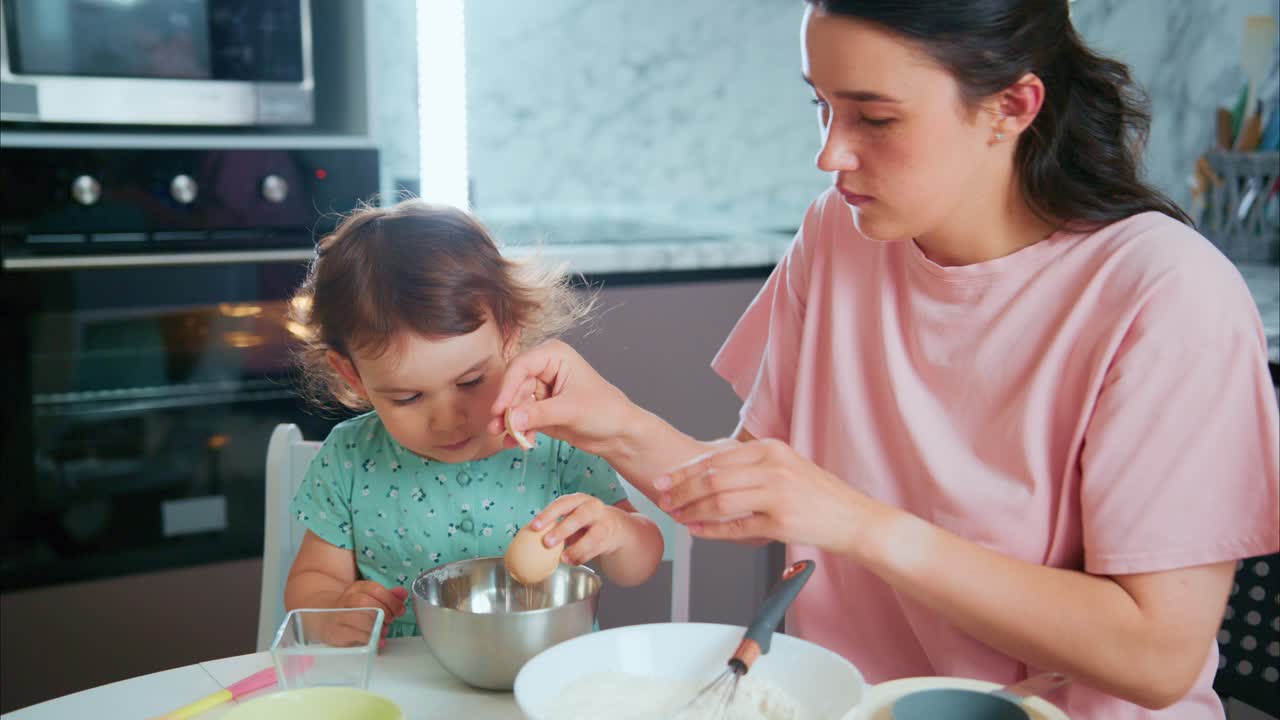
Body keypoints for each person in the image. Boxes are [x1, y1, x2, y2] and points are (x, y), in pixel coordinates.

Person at [489, 1, 1280, 717]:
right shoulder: (840, 235)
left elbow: (1158, 657)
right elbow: (762, 488)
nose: (831, 154)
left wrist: (864, 527)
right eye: (821, 107)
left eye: (874, 117)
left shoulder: (1166, 295)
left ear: (1012, 105)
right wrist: (614, 423)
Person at [283, 200, 663, 644]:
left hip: (540, 678)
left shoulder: (556, 438)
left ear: (510, 331)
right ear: (352, 374)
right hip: (406, 686)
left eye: (470, 382)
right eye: (408, 397)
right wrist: (331, 612)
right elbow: (312, 579)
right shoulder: (350, 459)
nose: (447, 421)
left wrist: (614, 534)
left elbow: (641, 562)